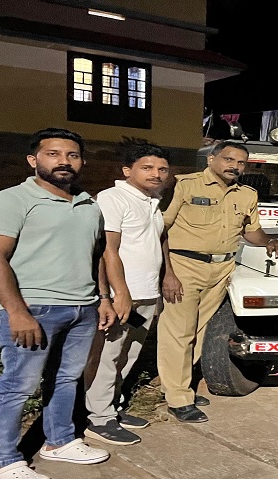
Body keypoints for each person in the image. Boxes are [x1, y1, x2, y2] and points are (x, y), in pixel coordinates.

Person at [0, 128, 115, 479]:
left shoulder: (88, 204)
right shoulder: (9, 200)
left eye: (72, 155)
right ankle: (3, 461)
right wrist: (16, 311)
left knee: (66, 379)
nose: (63, 162)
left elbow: (95, 255)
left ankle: (59, 441)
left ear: (81, 162)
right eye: (53, 154)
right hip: (34, 308)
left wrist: (102, 297)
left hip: (82, 308)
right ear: (33, 159)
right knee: (17, 387)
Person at [158, 141, 278, 423]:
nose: (235, 166)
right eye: (228, 159)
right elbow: (161, 230)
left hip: (221, 269)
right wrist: (167, 273)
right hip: (185, 265)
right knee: (179, 332)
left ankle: (181, 386)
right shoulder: (185, 185)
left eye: (241, 162)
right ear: (211, 159)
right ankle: (178, 398)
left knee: (199, 331)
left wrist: (272, 242)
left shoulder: (246, 195)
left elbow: (252, 232)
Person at [83, 141, 172, 445]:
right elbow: (108, 249)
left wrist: (163, 279)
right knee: (108, 354)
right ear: (127, 170)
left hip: (147, 294)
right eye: (147, 167)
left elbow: (156, 242)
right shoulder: (113, 198)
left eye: (162, 169)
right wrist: (115, 294)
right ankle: (97, 418)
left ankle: (112, 407)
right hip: (125, 295)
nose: (156, 173)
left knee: (129, 354)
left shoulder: (152, 200)